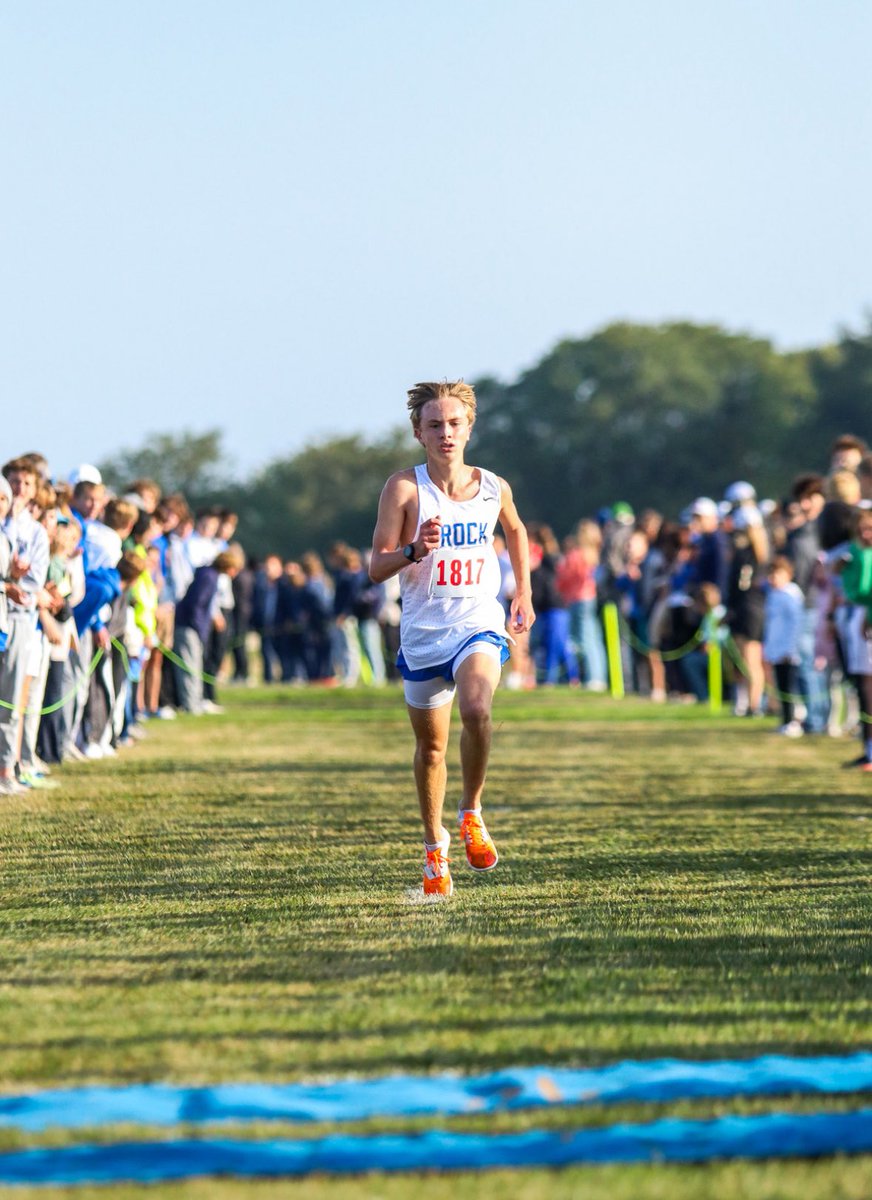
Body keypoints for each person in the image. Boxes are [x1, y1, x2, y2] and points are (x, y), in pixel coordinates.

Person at [369, 380, 534, 898]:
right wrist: (415, 550)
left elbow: (516, 530)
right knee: (432, 749)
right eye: (435, 425)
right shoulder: (403, 488)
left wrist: (522, 593)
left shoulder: (492, 486)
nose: (446, 433)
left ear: (470, 427)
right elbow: (377, 566)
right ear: (418, 432)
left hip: (477, 621)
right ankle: (433, 848)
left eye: (455, 423)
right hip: (422, 632)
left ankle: (472, 813)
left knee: (478, 709)